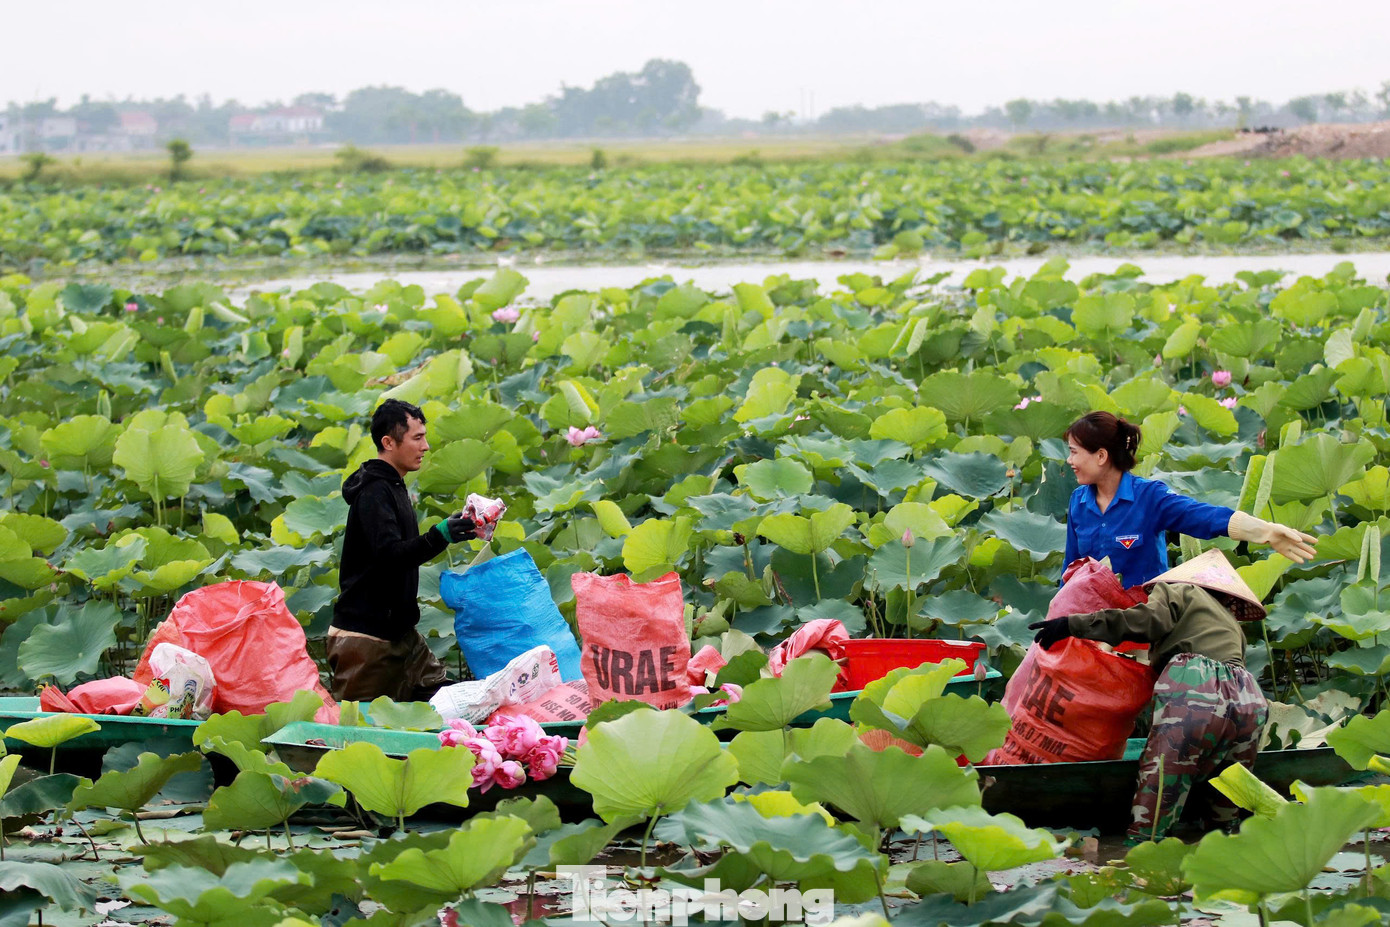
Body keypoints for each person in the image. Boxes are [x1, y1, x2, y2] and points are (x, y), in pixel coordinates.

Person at [1029, 549, 1275, 842]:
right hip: (1249, 696)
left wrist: (1073, 624)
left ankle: (1140, 848)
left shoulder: (1178, 590)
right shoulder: (1230, 622)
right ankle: (1225, 844)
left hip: (1197, 683)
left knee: (1163, 778)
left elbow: (1146, 621)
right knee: (1228, 788)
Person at [327, 399, 476, 703]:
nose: (426, 446)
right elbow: (391, 556)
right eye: (417, 438)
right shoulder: (374, 492)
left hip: (402, 634)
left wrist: (446, 532)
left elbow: (402, 551)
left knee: (452, 704)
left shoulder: (394, 485)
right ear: (388, 443)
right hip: (366, 639)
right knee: (362, 728)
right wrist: (439, 535)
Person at [1063, 411, 1316, 587]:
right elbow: (1070, 571)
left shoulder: (1149, 497)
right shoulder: (1078, 502)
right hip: (1090, 623)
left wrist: (1265, 531)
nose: (1069, 461)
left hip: (1142, 621)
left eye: (1074, 452)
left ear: (1101, 456)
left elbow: (1204, 517)